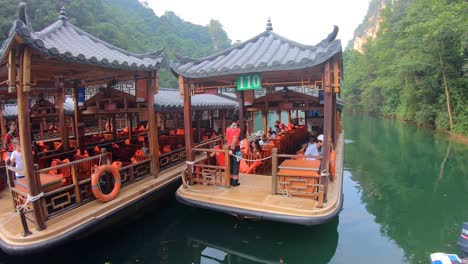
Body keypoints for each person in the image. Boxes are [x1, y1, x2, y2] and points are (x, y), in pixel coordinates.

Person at [226, 115, 241, 186]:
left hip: (229, 148)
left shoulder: (227, 128)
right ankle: (235, 182)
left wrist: (230, 149)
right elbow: (235, 140)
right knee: (236, 164)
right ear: (237, 121)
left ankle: (231, 180)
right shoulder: (237, 129)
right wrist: (233, 148)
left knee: (231, 163)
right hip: (236, 148)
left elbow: (227, 139)